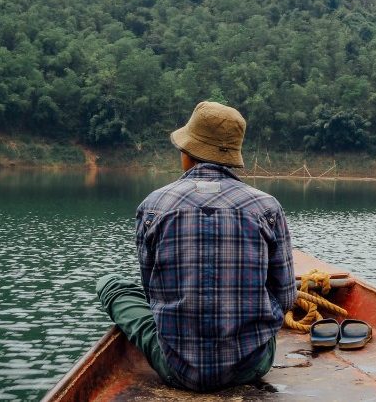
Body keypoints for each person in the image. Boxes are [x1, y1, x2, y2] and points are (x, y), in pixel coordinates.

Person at [96, 101, 296, 392]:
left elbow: (153, 293)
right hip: (250, 367)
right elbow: (286, 296)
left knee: (111, 284)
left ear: (188, 153)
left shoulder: (153, 206)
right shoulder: (266, 207)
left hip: (179, 371)